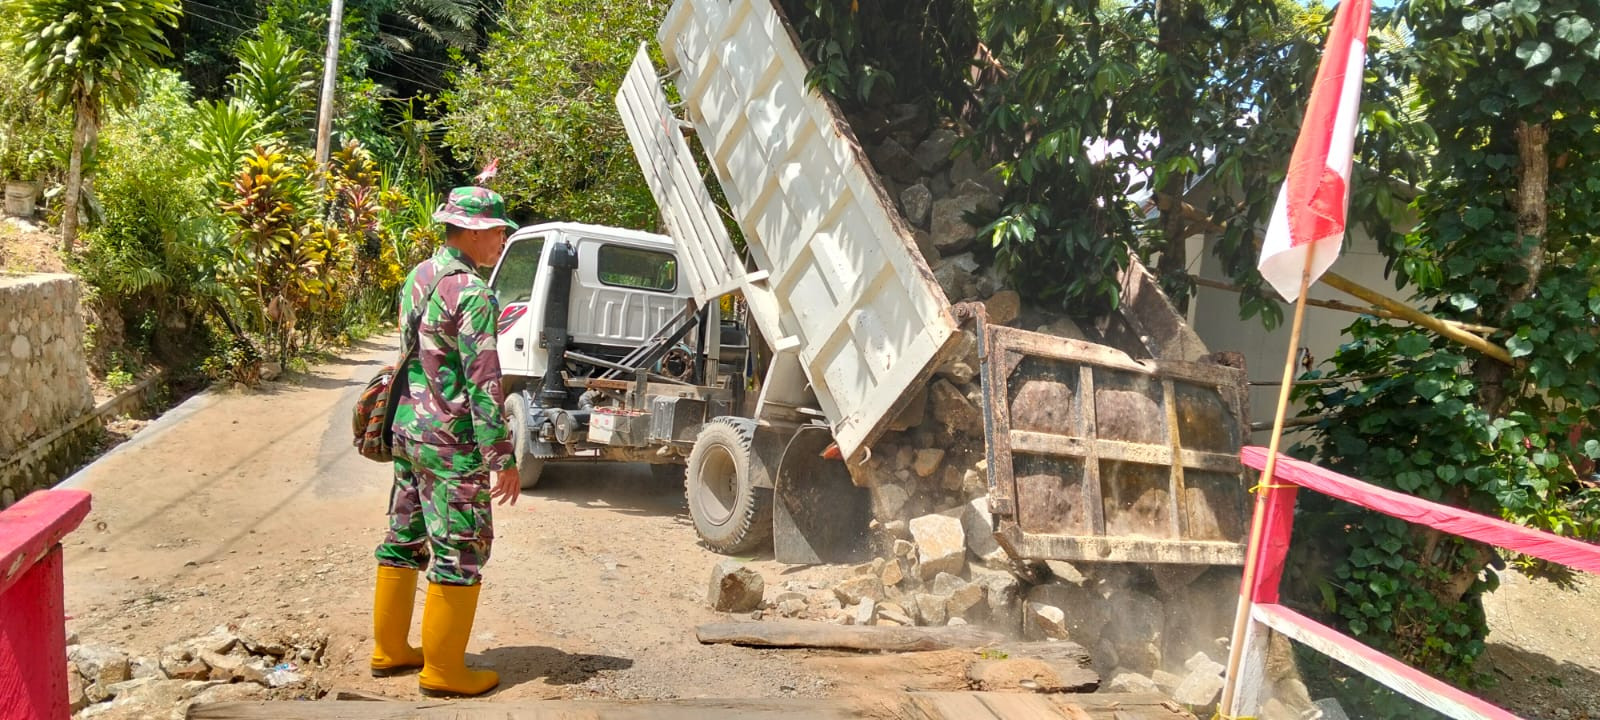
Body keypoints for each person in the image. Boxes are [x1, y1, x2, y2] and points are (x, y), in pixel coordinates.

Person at [369, 186, 521, 697]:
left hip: (409, 431)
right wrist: (503, 456)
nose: (502, 239)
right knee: (459, 549)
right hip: (451, 442)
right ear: (475, 233)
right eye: (498, 231)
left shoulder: (421, 275)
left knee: (404, 538)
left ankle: (390, 650)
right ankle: (443, 671)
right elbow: (484, 381)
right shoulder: (474, 294)